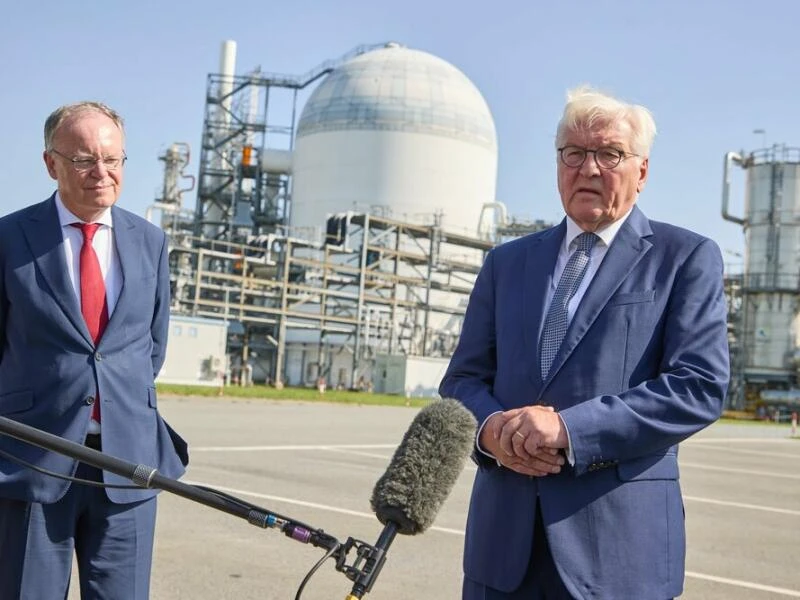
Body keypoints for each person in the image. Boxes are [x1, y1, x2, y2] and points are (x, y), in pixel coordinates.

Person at [439, 86, 729, 600]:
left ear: (641, 171)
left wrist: (568, 428)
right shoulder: (505, 264)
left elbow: (698, 387)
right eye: (574, 153)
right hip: (502, 553)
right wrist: (491, 432)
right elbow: (462, 380)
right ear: (558, 163)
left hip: (618, 558)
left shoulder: (685, 258)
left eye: (609, 154)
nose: (588, 168)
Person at [0, 101, 188, 599]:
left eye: (113, 159)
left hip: (127, 461)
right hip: (33, 458)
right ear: (51, 164)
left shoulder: (149, 241)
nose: (100, 173)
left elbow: (151, 346)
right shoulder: (8, 238)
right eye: (84, 160)